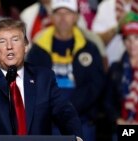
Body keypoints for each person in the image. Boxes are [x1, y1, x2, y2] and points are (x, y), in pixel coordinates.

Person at [0, 18, 83, 140]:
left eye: (15, 39)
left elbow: (65, 112)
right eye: (2, 41)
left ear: (25, 46)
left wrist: (76, 137)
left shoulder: (44, 77)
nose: (9, 46)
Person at [26, 0, 105, 140]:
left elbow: (95, 85)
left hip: (82, 119)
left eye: (67, 13)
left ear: (76, 16)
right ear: (51, 16)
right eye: (58, 13)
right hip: (47, 121)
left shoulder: (90, 46)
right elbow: (29, 81)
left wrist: (69, 108)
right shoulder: (38, 47)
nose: (63, 18)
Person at [104, 12, 138, 141]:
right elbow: (107, 101)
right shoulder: (116, 68)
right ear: (123, 42)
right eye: (128, 39)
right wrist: (117, 120)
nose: (132, 43)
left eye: (136, 38)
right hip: (123, 127)